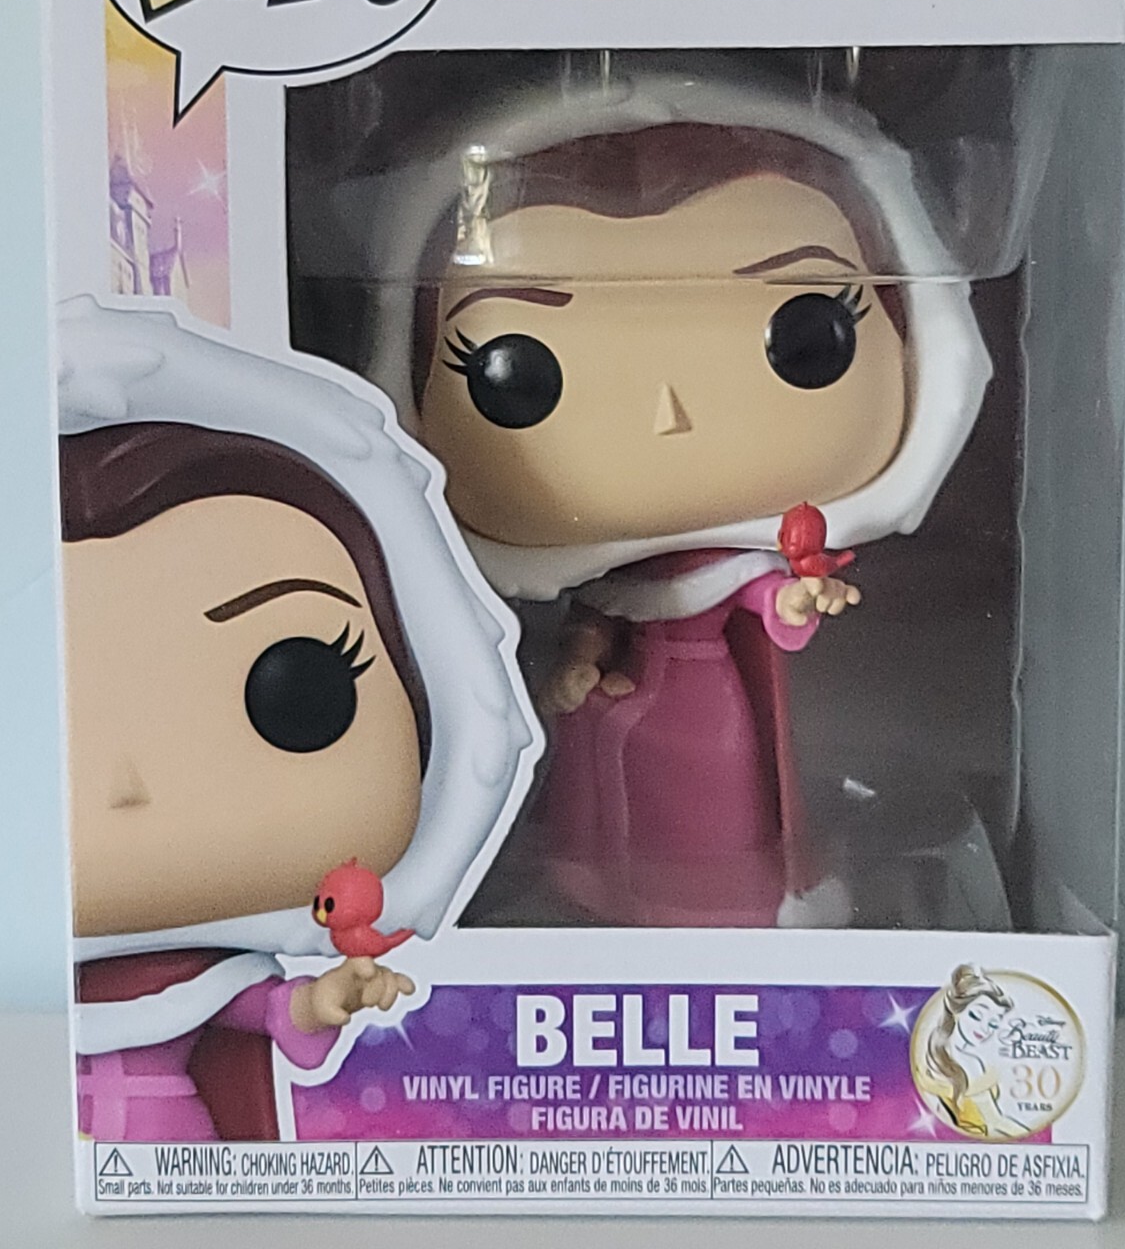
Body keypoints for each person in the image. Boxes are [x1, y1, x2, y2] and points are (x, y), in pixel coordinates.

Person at [368, 68, 991, 927]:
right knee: (601, 825)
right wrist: (576, 662)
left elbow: (766, 606)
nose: (669, 412)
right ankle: (608, 897)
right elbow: (596, 619)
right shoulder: (593, 577)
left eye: (808, 337)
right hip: (613, 716)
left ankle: (727, 900)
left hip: (712, 710)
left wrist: (794, 598)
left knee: (720, 806)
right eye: (516, 374)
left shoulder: (748, 563)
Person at [60, 298, 538, 1140]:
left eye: (300, 694)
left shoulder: (204, 979)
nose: (123, 784)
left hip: (182, 1153)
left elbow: (281, 1012)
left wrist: (329, 998)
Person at [920, 963, 1030, 1139]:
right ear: (956, 1012)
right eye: (976, 1016)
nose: (984, 1029)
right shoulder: (966, 1062)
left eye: (993, 1024)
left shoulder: (945, 1057)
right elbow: (995, 1122)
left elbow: (993, 1122)